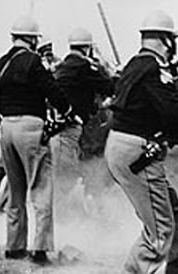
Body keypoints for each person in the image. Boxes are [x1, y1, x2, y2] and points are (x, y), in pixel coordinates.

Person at [105, 10, 178, 274]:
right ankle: (139, 270)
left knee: (168, 202)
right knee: (160, 227)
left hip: (120, 146)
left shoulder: (135, 64)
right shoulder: (154, 68)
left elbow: (147, 110)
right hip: (136, 151)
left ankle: (173, 259)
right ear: (167, 40)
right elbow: (171, 113)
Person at [0, 15, 71, 264]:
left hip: (5, 129)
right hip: (30, 128)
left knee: (15, 192)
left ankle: (14, 247)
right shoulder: (33, 62)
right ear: (32, 39)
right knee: (40, 190)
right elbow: (51, 90)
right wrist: (67, 110)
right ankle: (40, 249)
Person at [51, 27, 115, 220]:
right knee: (66, 180)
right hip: (73, 131)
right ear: (87, 48)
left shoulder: (62, 68)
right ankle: (62, 226)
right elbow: (109, 86)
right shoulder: (84, 68)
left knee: (63, 177)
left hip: (57, 131)